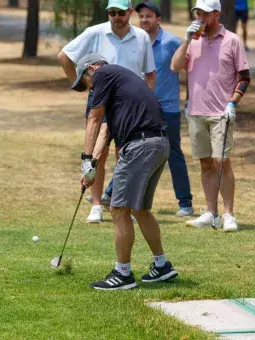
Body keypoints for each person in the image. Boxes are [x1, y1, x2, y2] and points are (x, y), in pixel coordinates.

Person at [74, 53, 178, 290]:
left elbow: (93, 117)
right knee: (140, 209)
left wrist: (85, 160)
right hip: (158, 143)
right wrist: (91, 168)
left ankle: (123, 274)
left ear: (91, 69)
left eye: (86, 83)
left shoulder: (103, 74)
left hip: (140, 145)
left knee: (119, 209)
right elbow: (105, 130)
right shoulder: (119, 83)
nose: (89, 89)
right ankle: (162, 266)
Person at [58, 0, 156, 223]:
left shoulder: (141, 37)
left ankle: (123, 204)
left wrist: (146, 101)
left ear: (130, 13)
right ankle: (96, 205)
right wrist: (83, 87)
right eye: (112, 12)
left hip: (130, 107)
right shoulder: (95, 32)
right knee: (97, 154)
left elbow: (150, 74)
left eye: (120, 13)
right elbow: (64, 56)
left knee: (126, 154)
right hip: (100, 101)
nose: (115, 17)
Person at [170, 0, 251, 232]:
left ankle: (228, 214)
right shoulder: (192, 41)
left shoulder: (232, 40)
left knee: (221, 162)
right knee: (205, 163)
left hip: (221, 113)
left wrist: (232, 103)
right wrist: (186, 40)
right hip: (196, 112)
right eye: (198, 13)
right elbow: (175, 67)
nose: (201, 18)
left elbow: (244, 77)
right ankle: (210, 213)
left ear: (217, 14)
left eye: (205, 13)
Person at [134, 1, 194, 217]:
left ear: (158, 19)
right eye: (141, 16)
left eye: (148, 16)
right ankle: (117, 196)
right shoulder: (136, 41)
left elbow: (188, 69)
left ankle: (185, 203)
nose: (143, 20)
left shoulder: (171, 42)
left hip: (167, 109)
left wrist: (189, 98)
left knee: (173, 154)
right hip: (141, 108)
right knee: (137, 152)